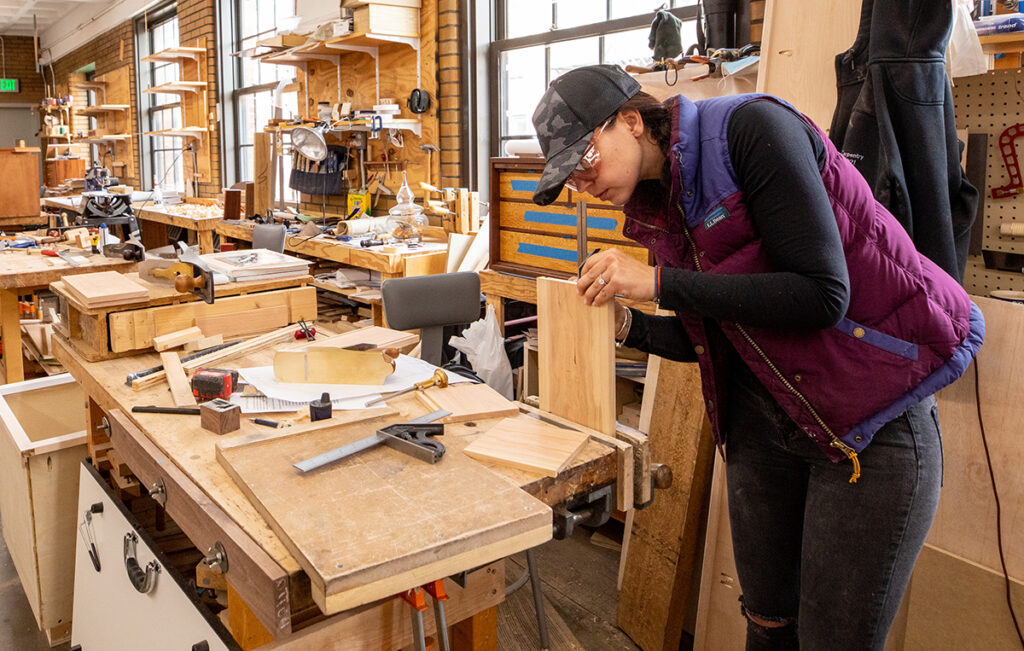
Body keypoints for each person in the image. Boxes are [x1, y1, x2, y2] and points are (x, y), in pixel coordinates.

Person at [531, 64, 984, 650]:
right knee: (768, 624)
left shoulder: (751, 131)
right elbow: (722, 332)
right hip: (766, 421)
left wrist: (662, 284)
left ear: (631, 120)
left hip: (869, 423)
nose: (582, 184)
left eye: (584, 160)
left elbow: (822, 295)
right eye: (570, 178)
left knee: (832, 641)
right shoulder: (657, 203)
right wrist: (628, 325)